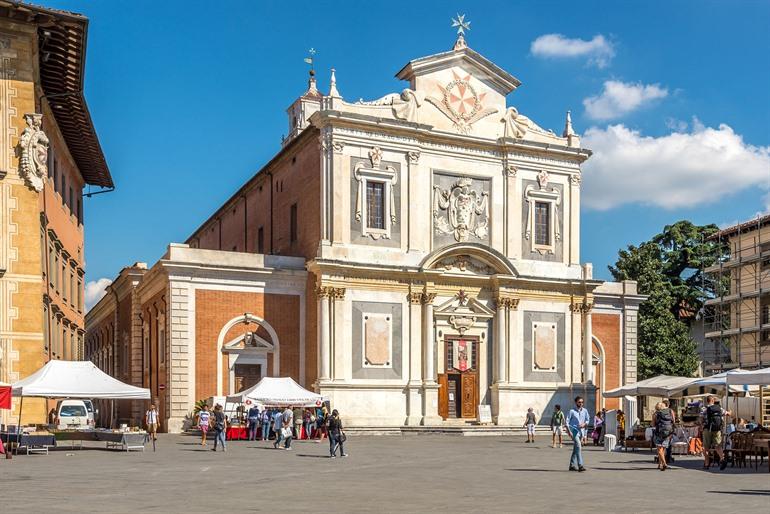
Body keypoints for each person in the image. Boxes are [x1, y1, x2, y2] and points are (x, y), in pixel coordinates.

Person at [701, 395, 730, 470]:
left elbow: (701, 418)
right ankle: (722, 459)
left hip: (707, 429)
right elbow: (728, 414)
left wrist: (701, 426)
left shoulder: (704, 408)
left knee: (706, 447)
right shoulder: (719, 408)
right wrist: (730, 411)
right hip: (717, 429)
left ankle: (707, 464)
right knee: (718, 446)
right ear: (713, 401)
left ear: (707, 401)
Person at [566, 396, 590, 472]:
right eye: (579, 402)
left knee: (576, 448)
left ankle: (572, 465)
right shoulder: (572, 411)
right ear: (576, 402)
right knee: (579, 446)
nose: (581, 403)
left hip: (581, 431)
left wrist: (584, 424)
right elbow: (566, 422)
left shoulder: (585, 411)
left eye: (582, 402)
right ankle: (580, 465)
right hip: (574, 430)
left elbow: (587, 420)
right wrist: (569, 431)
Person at [652, 401, 674, 471]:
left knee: (659, 449)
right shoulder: (669, 412)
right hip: (668, 432)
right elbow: (673, 421)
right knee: (663, 449)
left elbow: (653, 424)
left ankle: (664, 464)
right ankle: (660, 464)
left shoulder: (655, 414)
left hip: (659, 432)